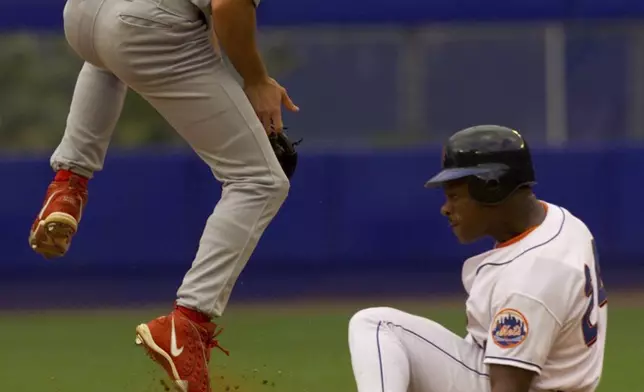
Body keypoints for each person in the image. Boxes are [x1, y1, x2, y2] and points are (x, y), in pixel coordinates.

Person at [28, 0, 299, 391]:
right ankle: (187, 323)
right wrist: (256, 78)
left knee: (109, 53)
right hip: (145, 27)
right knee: (259, 180)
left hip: (82, 17)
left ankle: (68, 185)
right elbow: (228, 5)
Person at [348, 125, 608, 392]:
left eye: (454, 196)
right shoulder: (562, 223)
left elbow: (508, 387)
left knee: (376, 326)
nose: (445, 208)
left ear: (491, 188)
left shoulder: (529, 282)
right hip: (537, 376)